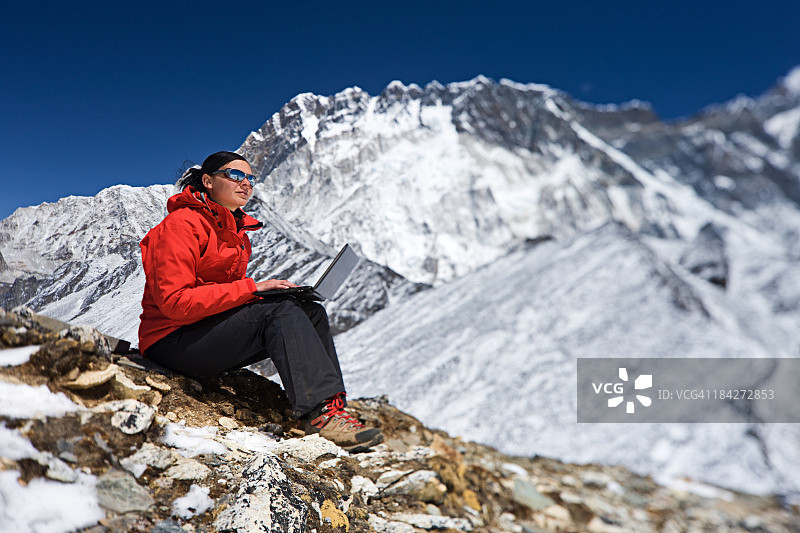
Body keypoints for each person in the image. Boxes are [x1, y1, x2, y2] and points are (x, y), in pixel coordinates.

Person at [138, 151, 382, 452]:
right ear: (208, 181)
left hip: (201, 332)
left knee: (311, 311)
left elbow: (220, 297)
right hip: (170, 343)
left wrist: (260, 293)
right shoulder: (180, 226)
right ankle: (318, 418)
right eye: (236, 175)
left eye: (250, 179)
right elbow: (175, 302)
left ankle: (331, 409)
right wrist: (252, 289)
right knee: (279, 313)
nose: (246, 184)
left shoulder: (234, 232)